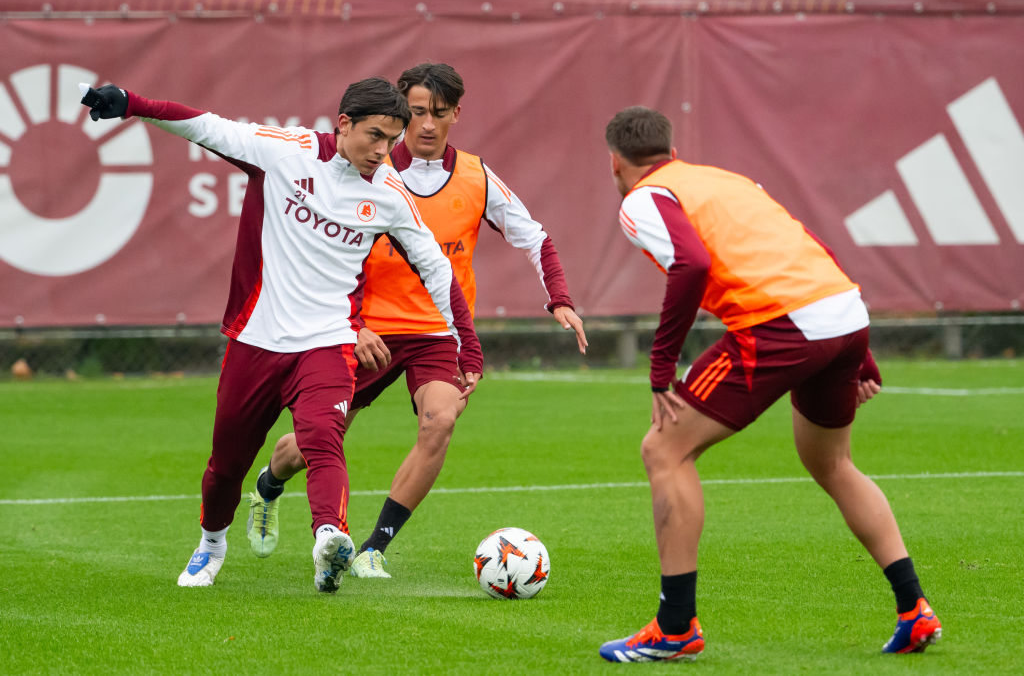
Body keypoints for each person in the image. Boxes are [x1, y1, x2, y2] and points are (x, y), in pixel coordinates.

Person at [80, 78, 483, 593]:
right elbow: (204, 125)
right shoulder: (284, 154)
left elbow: (436, 269)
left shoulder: (388, 193)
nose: (383, 151)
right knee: (226, 465)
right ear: (344, 124)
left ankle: (328, 540)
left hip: (328, 342)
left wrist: (467, 346)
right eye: (375, 136)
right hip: (256, 339)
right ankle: (211, 545)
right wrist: (132, 104)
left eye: (392, 139)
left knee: (323, 440)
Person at [597, 106, 941, 662]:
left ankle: (675, 627)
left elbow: (691, 265)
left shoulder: (642, 198)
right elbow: (807, 245)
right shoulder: (723, 179)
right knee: (832, 464)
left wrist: (661, 367)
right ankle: (914, 609)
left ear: (615, 160)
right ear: (671, 148)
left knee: (663, 448)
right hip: (842, 312)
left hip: (781, 325)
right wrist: (860, 347)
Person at [244, 62, 587, 578]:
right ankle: (269, 484)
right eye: (418, 113)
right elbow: (322, 258)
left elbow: (536, 237)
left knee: (440, 420)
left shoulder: (476, 175)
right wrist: (352, 323)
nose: (427, 125)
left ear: (456, 115)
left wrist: (559, 298)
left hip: (438, 335)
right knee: (315, 441)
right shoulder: (367, 172)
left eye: (439, 114)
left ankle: (373, 548)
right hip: (366, 331)